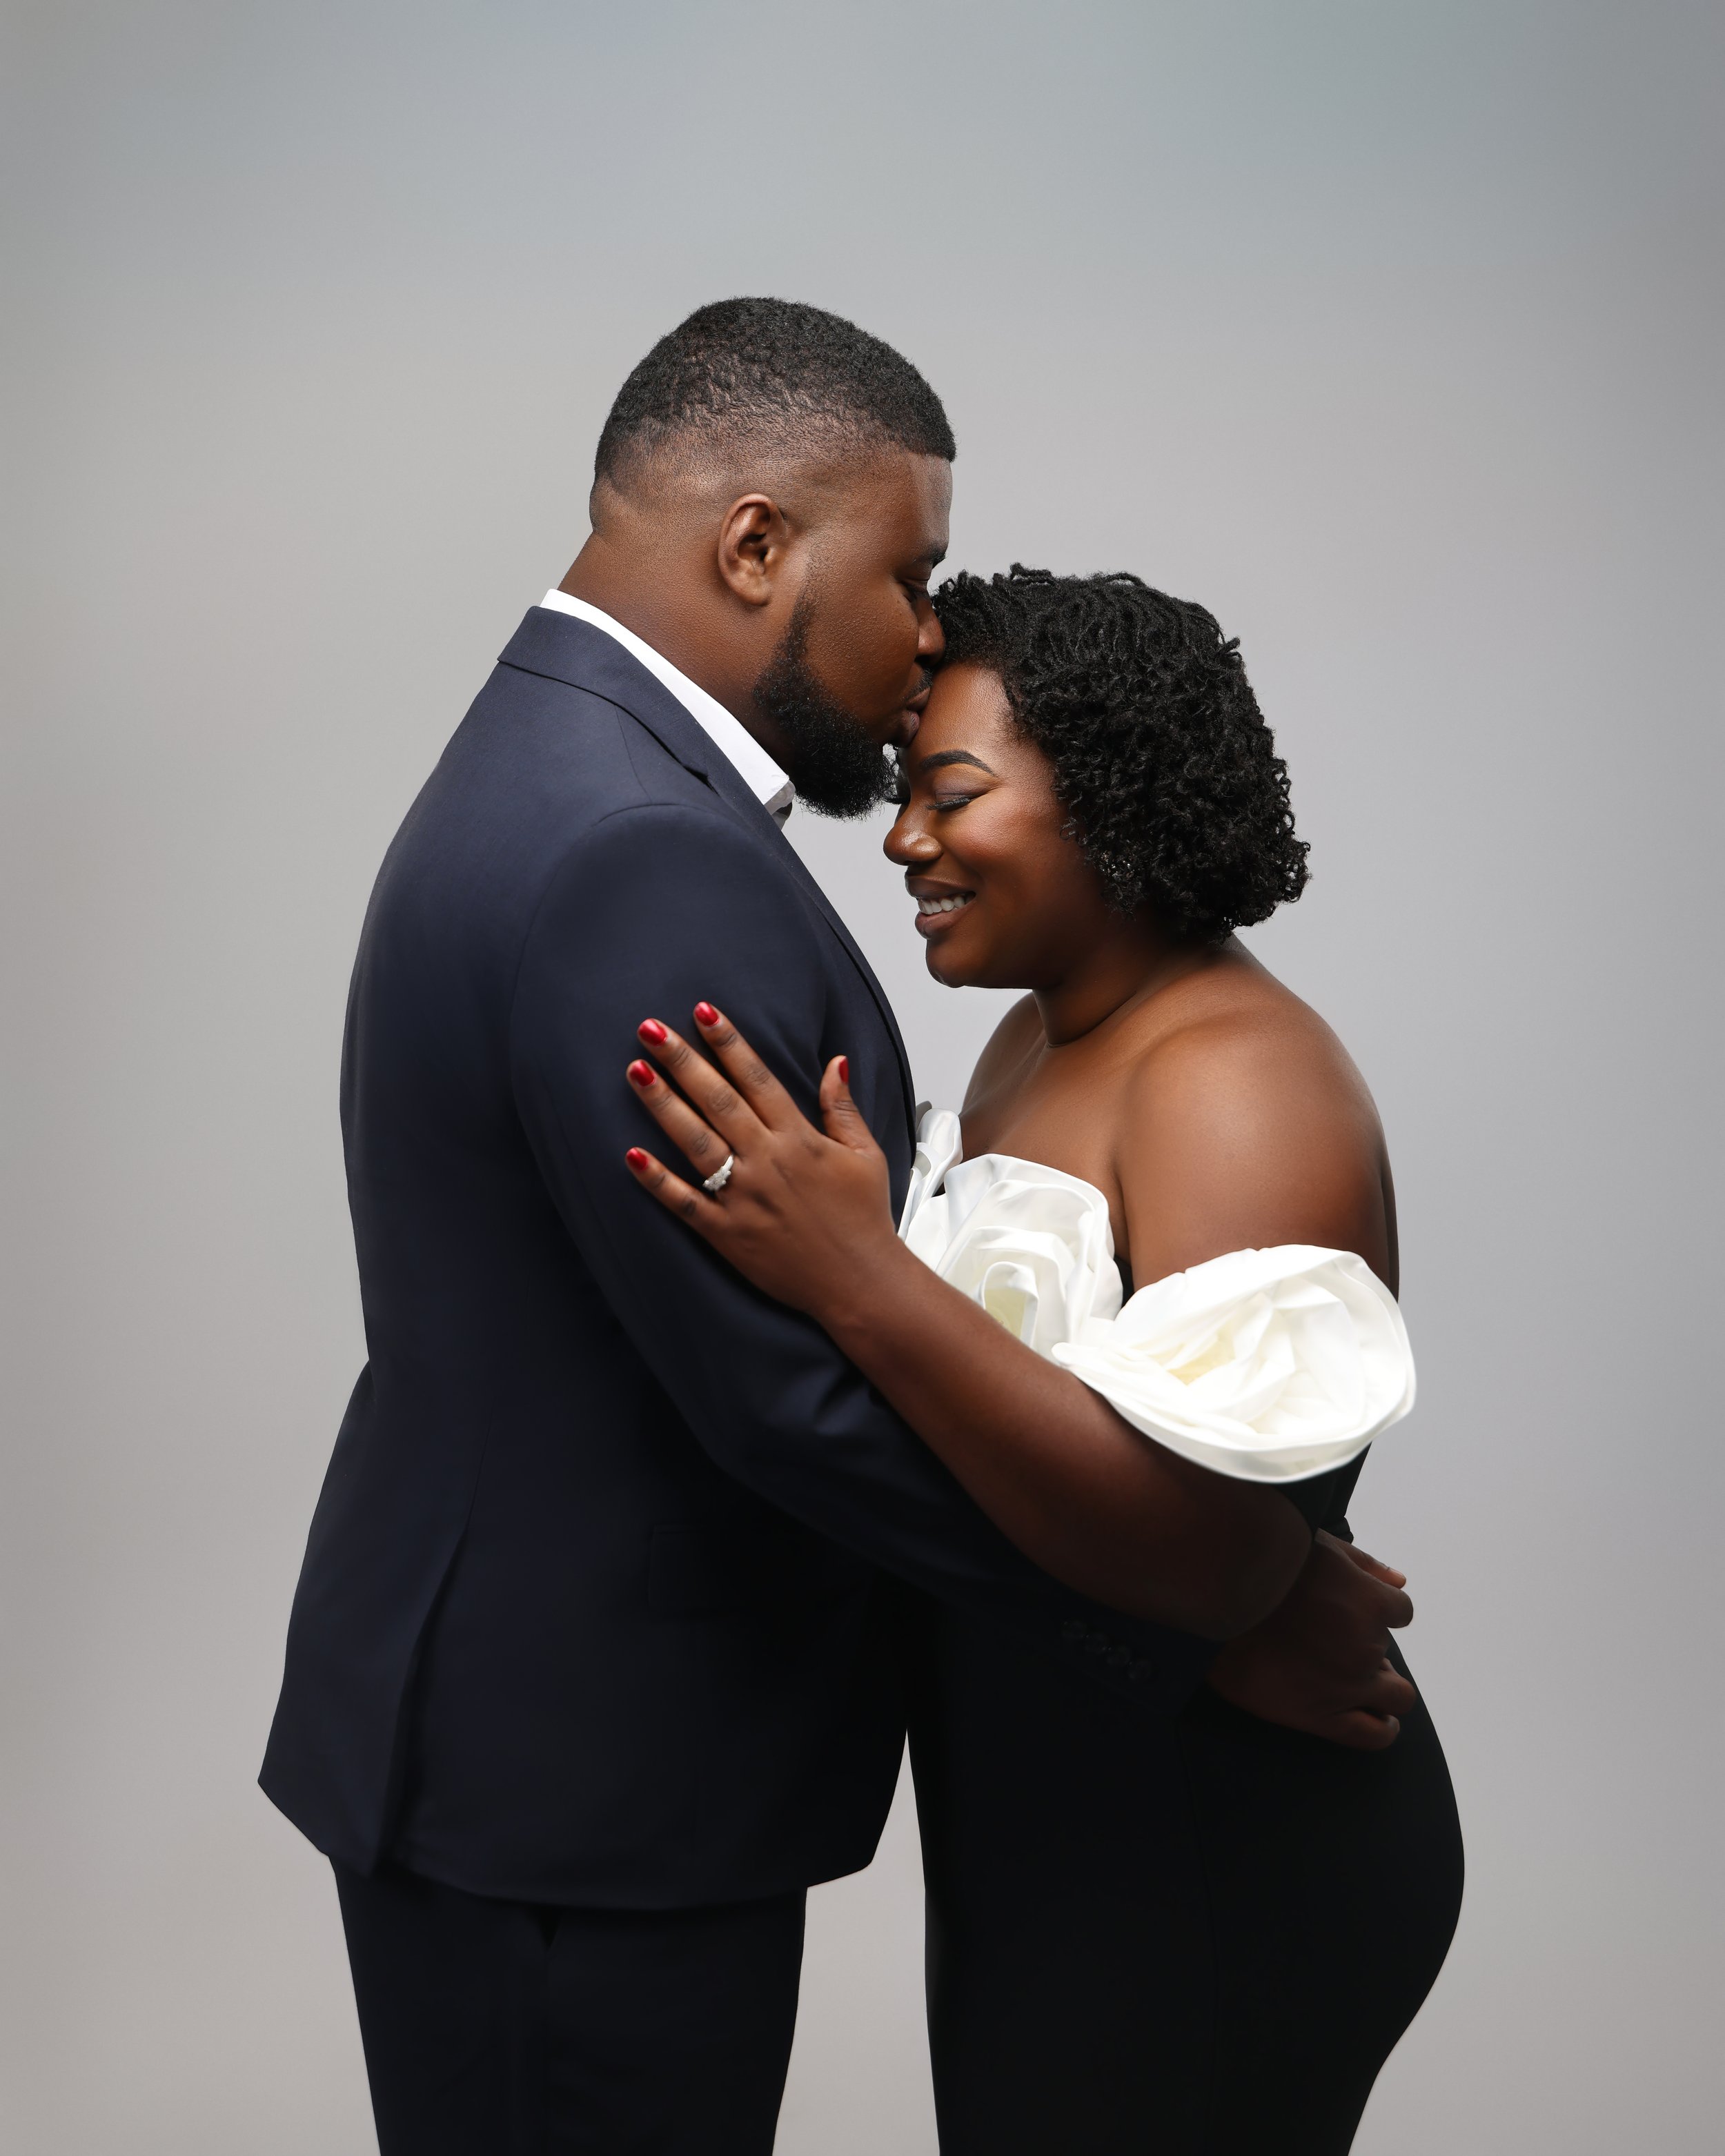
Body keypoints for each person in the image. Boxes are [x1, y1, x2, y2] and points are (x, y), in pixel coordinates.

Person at [262, 301, 1419, 2155]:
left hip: (545, 1759)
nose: (922, 640)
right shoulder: (637, 849)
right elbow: (786, 1392)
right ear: (753, 547)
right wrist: (1209, 1615)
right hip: (584, 1790)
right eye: (912, 573)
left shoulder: (555, 768)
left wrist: (1200, 1575)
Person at [621, 566, 1463, 2155]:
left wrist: (858, 1273)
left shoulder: (1229, 1080)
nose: (901, 842)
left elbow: (1212, 1558)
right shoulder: (1043, 1031)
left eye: (951, 796)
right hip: (1059, 1811)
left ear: (1111, 800)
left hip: (1216, 1835)